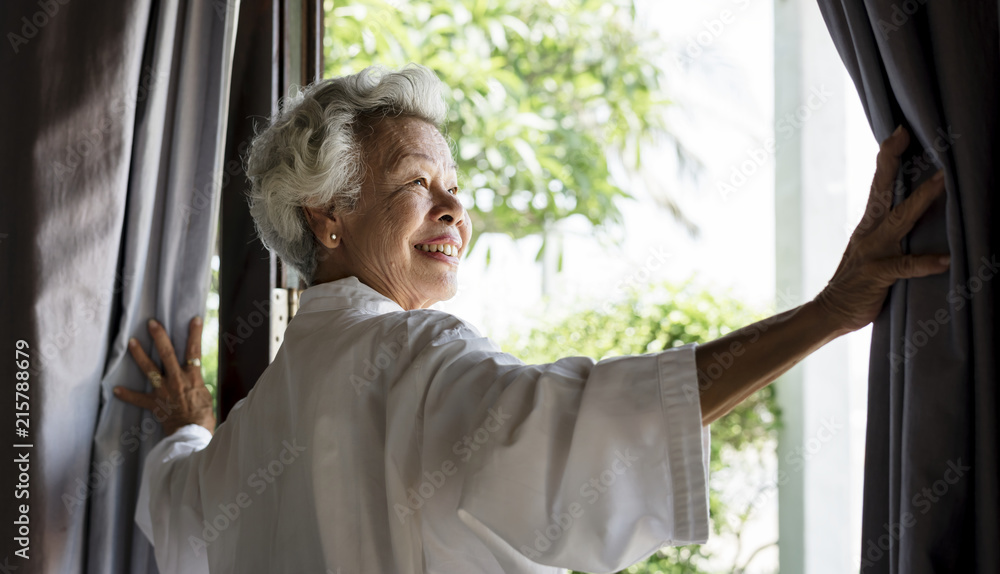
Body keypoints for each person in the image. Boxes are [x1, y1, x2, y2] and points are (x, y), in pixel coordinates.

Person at [114, 65, 948, 574]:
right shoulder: (410, 355)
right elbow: (583, 425)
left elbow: (176, 503)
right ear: (328, 215)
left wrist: (189, 425)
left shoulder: (250, 436)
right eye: (418, 182)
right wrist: (831, 311)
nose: (455, 206)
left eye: (454, 186)